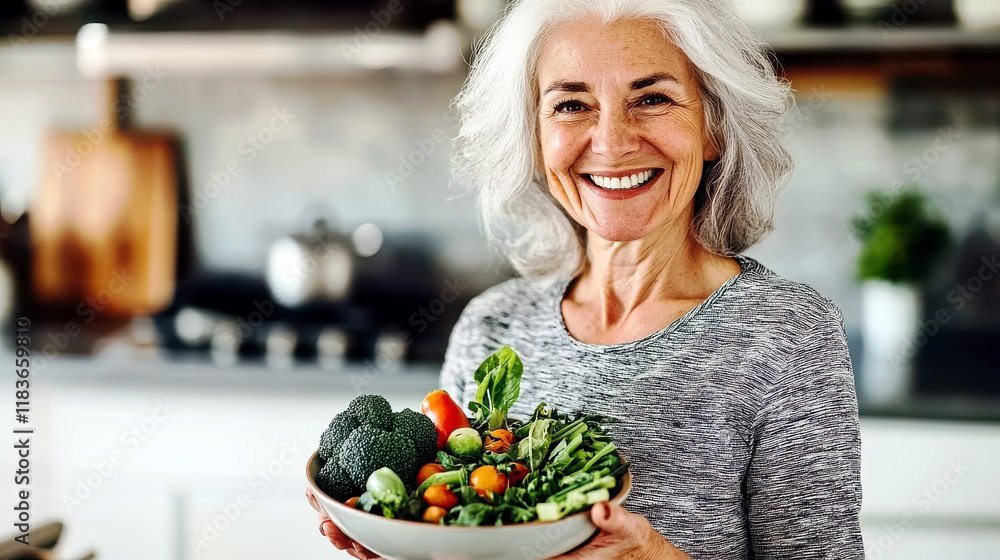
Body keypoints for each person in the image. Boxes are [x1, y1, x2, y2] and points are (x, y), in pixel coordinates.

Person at [307, 0, 865, 558]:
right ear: (534, 139)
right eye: (572, 105)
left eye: (651, 99)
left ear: (713, 127)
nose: (612, 141)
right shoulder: (492, 328)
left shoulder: (785, 334)